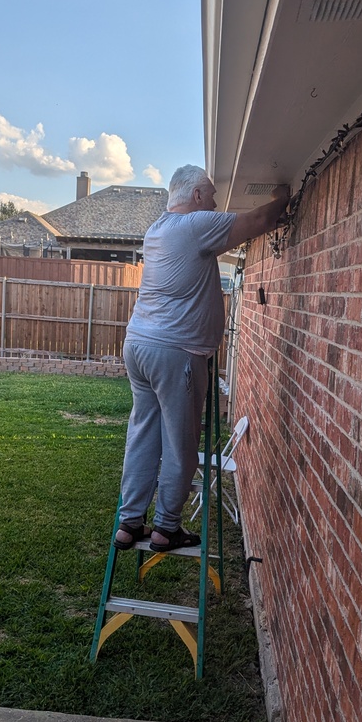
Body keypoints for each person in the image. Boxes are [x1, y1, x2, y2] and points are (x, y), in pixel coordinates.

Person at [113, 164, 290, 552]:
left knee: (143, 433)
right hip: (175, 354)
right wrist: (283, 196)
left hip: (140, 345)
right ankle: (166, 528)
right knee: (180, 442)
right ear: (195, 196)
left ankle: (129, 523)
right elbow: (258, 219)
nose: (214, 203)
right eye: (210, 195)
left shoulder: (157, 229)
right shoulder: (194, 226)